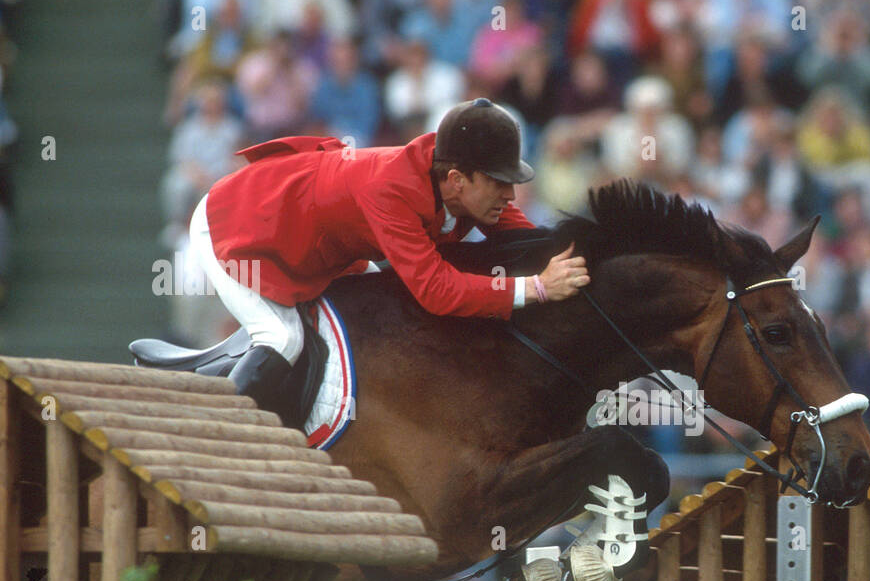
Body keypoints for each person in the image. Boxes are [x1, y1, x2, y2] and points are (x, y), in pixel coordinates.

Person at [190, 97, 590, 417]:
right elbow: (437, 291)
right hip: (236, 226)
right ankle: (207, 430)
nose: (510, 195)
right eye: (499, 183)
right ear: (456, 180)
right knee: (282, 337)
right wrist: (537, 288)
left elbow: (528, 242)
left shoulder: (460, 183)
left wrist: (584, 258)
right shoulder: (391, 190)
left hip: (311, 243)